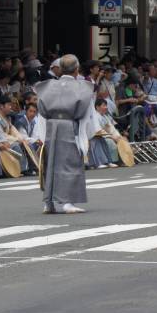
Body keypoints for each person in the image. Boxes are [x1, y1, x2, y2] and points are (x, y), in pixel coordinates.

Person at [34, 54, 96, 214]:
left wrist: (41, 135)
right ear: (77, 69)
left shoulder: (46, 86)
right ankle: (68, 202)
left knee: (51, 163)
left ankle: (49, 203)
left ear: (61, 69)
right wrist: (85, 136)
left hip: (51, 126)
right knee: (70, 163)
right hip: (70, 126)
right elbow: (86, 115)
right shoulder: (83, 87)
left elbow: (41, 113)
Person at [87, 98, 120, 169]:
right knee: (105, 141)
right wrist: (111, 137)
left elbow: (111, 128)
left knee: (104, 141)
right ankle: (100, 163)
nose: (106, 107)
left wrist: (117, 136)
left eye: (106, 105)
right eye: (104, 105)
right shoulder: (94, 116)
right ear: (97, 107)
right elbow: (97, 129)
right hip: (92, 135)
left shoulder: (105, 116)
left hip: (102, 136)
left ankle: (109, 162)